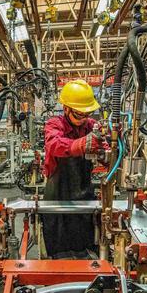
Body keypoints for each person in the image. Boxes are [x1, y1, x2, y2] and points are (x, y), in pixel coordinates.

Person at [42, 80, 105, 258]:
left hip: (83, 190)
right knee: (58, 230)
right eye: (79, 114)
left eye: (88, 113)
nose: (84, 118)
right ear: (66, 109)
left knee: (83, 229)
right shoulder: (55, 124)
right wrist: (82, 144)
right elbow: (54, 144)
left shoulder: (91, 126)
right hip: (58, 193)